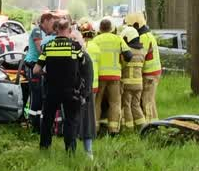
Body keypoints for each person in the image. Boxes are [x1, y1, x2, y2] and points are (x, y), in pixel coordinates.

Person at [34, 20, 85, 153]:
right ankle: (70, 151)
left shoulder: (49, 46)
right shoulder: (75, 47)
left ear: (56, 30)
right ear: (69, 30)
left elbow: (35, 70)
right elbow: (82, 64)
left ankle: (44, 148)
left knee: (48, 120)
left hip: (52, 89)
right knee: (70, 121)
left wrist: (45, 73)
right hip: (70, 90)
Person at [93, 18, 132, 135]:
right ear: (111, 28)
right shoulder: (118, 39)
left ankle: (95, 128)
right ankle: (113, 130)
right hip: (115, 76)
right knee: (115, 103)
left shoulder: (96, 40)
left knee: (97, 102)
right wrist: (122, 65)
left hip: (100, 76)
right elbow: (129, 55)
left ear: (100, 29)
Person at [23, 12, 56, 133]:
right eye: (52, 23)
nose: (53, 25)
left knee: (42, 96)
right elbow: (39, 49)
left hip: (40, 66)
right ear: (45, 21)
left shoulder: (47, 34)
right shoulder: (37, 31)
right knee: (36, 95)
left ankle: (39, 123)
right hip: (32, 64)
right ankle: (33, 123)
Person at [126, 12, 161, 122]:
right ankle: (152, 123)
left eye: (130, 26)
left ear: (136, 25)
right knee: (148, 100)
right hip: (151, 73)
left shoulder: (144, 37)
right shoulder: (147, 35)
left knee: (147, 101)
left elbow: (139, 55)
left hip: (149, 74)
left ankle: (151, 126)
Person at [78, 22, 100, 158]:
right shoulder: (97, 47)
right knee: (91, 114)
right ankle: (91, 136)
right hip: (93, 85)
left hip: (83, 86)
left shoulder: (83, 50)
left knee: (81, 116)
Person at [119, 26, 147, 131]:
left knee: (126, 105)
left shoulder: (128, 51)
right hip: (139, 84)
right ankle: (142, 127)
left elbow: (121, 65)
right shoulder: (142, 51)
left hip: (127, 83)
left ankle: (129, 128)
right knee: (136, 105)